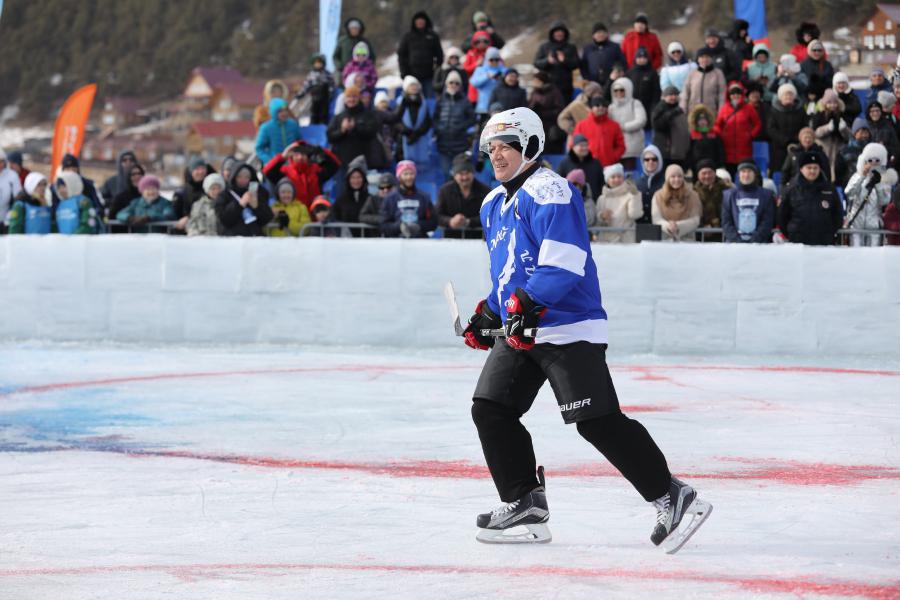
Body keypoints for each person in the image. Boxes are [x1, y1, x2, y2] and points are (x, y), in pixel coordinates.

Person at [464, 106, 709, 549]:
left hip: (568, 325)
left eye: (506, 146)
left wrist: (527, 303)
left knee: (596, 422)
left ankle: (673, 496)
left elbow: (565, 260)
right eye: (491, 148)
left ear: (530, 146)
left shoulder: (551, 190)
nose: (496, 155)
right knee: (491, 408)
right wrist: (491, 314)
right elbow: (508, 272)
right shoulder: (492, 203)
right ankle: (524, 502)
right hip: (525, 328)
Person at [777, 152, 841, 245]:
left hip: (824, 243)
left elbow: (838, 215)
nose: (812, 171)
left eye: (815, 168)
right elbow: (782, 216)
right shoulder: (791, 190)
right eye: (809, 168)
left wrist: (830, 233)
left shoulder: (830, 189)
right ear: (801, 169)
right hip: (798, 243)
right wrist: (792, 233)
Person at [327, 86, 380, 192]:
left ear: (359, 98)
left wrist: (355, 127)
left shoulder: (367, 114)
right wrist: (342, 130)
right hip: (342, 163)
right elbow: (330, 136)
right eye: (349, 97)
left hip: (362, 161)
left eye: (354, 97)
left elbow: (372, 132)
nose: (351, 99)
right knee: (343, 192)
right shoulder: (339, 117)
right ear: (345, 99)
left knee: (362, 191)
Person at [262, 140, 341, 210]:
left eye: (303, 154)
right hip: (294, 217)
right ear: (291, 156)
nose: (300, 157)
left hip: (315, 215)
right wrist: (282, 157)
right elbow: (267, 172)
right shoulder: (285, 172)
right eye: (296, 154)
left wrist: (319, 150)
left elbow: (335, 165)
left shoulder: (317, 170)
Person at [844, 142, 894, 246]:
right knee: (855, 254)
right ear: (865, 160)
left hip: (874, 226)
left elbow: (884, 201)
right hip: (856, 224)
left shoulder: (884, 180)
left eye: (877, 161)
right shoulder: (857, 175)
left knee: (874, 255)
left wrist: (878, 183)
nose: (873, 163)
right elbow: (849, 193)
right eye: (870, 160)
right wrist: (862, 176)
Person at [436, 153, 490, 239]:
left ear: (473, 173)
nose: (464, 177)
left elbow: (490, 216)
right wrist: (450, 221)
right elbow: (437, 215)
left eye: (467, 173)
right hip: (450, 240)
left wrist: (469, 222)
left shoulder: (486, 191)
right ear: (454, 175)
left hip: (478, 239)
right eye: (461, 174)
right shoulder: (444, 191)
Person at [435, 71, 476, 178]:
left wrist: (462, 127)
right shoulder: (440, 100)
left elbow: (472, 118)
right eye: (451, 82)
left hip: (460, 145)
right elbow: (435, 118)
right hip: (443, 145)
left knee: (459, 175)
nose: (454, 85)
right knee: (446, 174)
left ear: (460, 85)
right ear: (447, 84)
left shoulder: (465, 101)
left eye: (457, 83)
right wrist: (439, 129)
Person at [722, 161, 775, 243]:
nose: (746, 175)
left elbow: (767, 221)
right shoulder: (728, 195)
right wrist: (737, 240)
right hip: (734, 245)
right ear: (739, 174)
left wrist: (755, 240)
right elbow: (726, 222)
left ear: (755, 174)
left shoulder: (766, 195)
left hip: (759, 245)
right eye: (743, 171)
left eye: (749, 171)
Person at [380, 160, 436, 238]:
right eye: (405, 174)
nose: (409, 177)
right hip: (396, 240)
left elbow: (433, 222)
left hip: (419, 240)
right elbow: (383, 225)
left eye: (411, 173)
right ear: (399, 176)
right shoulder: (390, 198)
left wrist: (418, 225)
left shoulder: (424, 197)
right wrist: (399, 227)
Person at [214, 163, 273, 237]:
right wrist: (239, 205)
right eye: (239, 177)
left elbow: (266, 219)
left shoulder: (259, 193)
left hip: (255, 238)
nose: (243, 180)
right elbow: (223, 220)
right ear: (234, 177)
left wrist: (257, 207)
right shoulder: (225, 195)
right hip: (232, 239)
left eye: (247, 177)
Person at [716, 82, 761, 175]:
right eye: (733, 93)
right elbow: (717, 125)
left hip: (744, 148)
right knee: (730, 173)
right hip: (728, 147)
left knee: (744, 172)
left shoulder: (749, 108)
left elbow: (757, 124)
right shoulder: (724, 109)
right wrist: (722, 136)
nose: (735, 95)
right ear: (729, 95)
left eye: (738, 93)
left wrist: (751, 135)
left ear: (742, 95)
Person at [397, 11, 443, 98]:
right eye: (418, 20)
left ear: (426, 21)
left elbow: (439, 54)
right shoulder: (408, 36)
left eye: (422, 20)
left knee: (430, 99)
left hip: (429, 75)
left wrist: (437, 70)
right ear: (414, 22)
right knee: (413, 99)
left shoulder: (433, 36)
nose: (420, 22)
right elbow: (401, 55)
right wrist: (404, 73)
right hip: (412, 75)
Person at [651, 164, 702, 242]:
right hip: (665, 240)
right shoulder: (658, 196)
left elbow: (695, 219)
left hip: (687, 241)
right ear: (667, 178)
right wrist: (668, 226)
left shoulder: (693, 195)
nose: (677, 179)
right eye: (673, 176)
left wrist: (678, 226)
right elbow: (656, 218)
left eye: (679, 176)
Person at [768, 83, 808, 179]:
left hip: (797, 146)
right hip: (779, 147)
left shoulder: (800, 110)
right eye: (785, 95)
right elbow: (771, 129)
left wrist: (797, 139)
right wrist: (784, 140)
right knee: (779, 171)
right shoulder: (774, 110)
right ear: (780, 97)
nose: (788, 97)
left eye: (790, 94)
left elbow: (805, 127)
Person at [533, 21, 580, 102]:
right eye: (556, 31)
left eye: (561, 31)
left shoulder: (571, 47)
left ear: (565, 33)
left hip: (566, 87)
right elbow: (536, 63)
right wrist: (547, 61)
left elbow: (577, 63)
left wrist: (564, 60)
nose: (559, 34)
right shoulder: (544, 47)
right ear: (552, 33)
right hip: (547, 86)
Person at [572, 96, 625, 168]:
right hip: (587, 165)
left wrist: (612, 157)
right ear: (591, 108)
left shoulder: (614, 126)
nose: (601, 107)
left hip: (608, 166)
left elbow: (621, 146)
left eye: (604, 105)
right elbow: (574, 145)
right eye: (597, 105)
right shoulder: (581, 125)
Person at [596, 163, 642, 242]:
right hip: (606, 242)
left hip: (626, 241)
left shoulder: (630, 195)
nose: (616, 179)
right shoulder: (602, 199)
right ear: (607, 180)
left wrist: (635, 195)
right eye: (613, 177)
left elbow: (635, 214)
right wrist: (602, 216)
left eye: (619, 176)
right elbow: (596, 221)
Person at [608, 78, 647, 171]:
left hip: (633, 147)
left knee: (631, 173)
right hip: (616, 147)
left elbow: (641, 120)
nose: (618, 93)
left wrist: (623, 127)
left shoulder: (635, 103)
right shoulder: (611, 107)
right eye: (615, 90)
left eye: (621, 90)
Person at [811, 89, 850, 181]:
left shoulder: (842, 115)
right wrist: (827, 128)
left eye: (834, 102)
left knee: (838, 169)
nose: (832, 105)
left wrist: (844, 129)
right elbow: (815, 133)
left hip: (838, 149)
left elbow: (848, 137)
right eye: (829, 103)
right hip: (824, 148)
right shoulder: (819, 115)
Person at [331, 156, 373, 236]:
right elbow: (334, 218)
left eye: (359, 177)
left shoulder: (370, 199)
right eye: (353, 177)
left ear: (363, 179)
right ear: (348, 180)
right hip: (346, 240)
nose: (356, 181)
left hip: (368, 240)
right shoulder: (341, 200)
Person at [395, 76, 433, 164]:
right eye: (411, 85)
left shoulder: (423, 102)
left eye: (415, 85)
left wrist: (416, 134)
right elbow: (397, 120)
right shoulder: (400, 102)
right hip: (404, 139)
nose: (414, 87)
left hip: (420, 137)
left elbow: (427, 122)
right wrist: (408, 132)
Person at [652, 87, 690, 169]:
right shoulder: (660, 108)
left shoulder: (679, 110)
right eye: (670, 95)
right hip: (666, 152)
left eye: (675, 95)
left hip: (679, 152)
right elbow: (657, 125)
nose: (673, 97)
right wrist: (671, 113)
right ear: (664, 97)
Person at [255, 98, 302, 166]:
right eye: (280, 111)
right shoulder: (266, 127)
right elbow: (259, 148)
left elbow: (300, 142)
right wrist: (269, 160)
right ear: (274, 112)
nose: (284, 113)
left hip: (293, 164)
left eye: (286, 110)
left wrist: (299, 156)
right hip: (275, 164)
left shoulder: (293, 124)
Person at [680, 48, 726, 116]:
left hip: (711, 112)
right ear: (698, 59)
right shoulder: (692, 74)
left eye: (707, 57)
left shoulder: (718, 73)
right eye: (702, 57)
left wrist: (721, 112)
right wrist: (683, 109)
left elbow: (722, 94)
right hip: (693, 112)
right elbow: (685, 93)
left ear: (711, 58)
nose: (705, 59)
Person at [528, 72, 566, 154]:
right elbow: (530, 106)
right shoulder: (534, 92)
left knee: (550, 150)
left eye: (536, 81)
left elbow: (559, 110)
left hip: (551, 127)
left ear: (542, 81)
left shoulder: (554, 92)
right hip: (537, 126)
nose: (534, 83)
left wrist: (543, 113)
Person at [172, 157, 213, 232]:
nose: (200, 172)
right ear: (191, 171)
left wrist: (189, 218)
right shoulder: (182, 192)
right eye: (197, 169)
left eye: (203, 168)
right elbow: (176, 214)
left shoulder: (213, 188)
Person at [557, 133, 604, 198]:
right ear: (574, 147)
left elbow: (602, 183)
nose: (584, 148)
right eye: (581, 145)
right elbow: (559, 183)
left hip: (593, 200)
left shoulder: (595, 163)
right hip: (572, 200)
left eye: (586, 145)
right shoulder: (564, 163)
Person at [581, 22, 626, 88]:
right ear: (593, 35)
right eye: (598, 33)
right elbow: (583, 66)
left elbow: (622, 62)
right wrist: (587, 78)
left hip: (612, 81)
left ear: (606, 34)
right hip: (593, 83)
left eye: (603, 32)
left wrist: (617, 70)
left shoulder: (614, 47)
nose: (601, 35)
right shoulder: (588, 48)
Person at [295, 54, 334, 125]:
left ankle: (324, 126)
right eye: (316, 63)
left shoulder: (327, 74)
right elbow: (306, 85)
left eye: (319, 63)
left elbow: (331, 84)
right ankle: (313, 126)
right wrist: (300, 94)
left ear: (323, 64)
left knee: (324, 113)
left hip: (324, 98)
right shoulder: (311, 75)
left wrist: (331, 93)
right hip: (314, 98)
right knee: (314, 113)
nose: (318, 65)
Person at [333, 18, 375, 83]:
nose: (354, 30)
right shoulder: (342, 41)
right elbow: (335, 56)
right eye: (352, 28)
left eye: (356, 28)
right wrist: (340, 66)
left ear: (360, 29)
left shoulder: (365, 42)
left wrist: (368, 66)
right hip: (345, 70)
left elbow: (372, 56)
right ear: (349, 29)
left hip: (362, 72)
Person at [471, 47, 507, 124]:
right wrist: (486, 77)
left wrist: (501, 78)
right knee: (483, 128)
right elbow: (474, 82)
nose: (494, 62)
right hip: (484, 106)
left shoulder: (504, 70)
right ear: (487, 59)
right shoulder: (480, 70)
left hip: (500, 107)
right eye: (491, 60)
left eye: (496, 59)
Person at [693, 159, 731, 230]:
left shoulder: (727, 190)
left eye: (710, 173)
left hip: (723, 230)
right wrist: (702, 225)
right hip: (702, 231)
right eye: (704, 173)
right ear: (698, 175)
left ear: (715, 173)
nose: (707, 176)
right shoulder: (693, 192)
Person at [627, 47, 661, 123]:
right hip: (633, 106)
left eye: (644, 57)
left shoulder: (652, 73)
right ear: (635, 59)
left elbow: (656, 91)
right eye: (639, 57)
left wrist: (654, 105)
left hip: (648, 106)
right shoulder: (629, 73)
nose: (642, 60)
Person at [688, 104, 725, 173]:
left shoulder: (714, 134)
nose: (702, 122)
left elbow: (719, 150)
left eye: (704, 120)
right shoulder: (692, 134)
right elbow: (689, 151)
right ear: (696, 122)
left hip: (712, 164)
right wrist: (688, 165)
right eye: (700, 120)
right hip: (696, 165)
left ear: (708, 121)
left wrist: (721, 163)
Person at [836, 121, 871, 188]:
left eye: (866, 132)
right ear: (855, 134)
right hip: (850, 186)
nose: (864, 135)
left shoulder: (873, 150)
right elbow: (839, 173)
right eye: (861, 132)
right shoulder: (844, 151)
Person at [635, 145, 665, 224]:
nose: (650, 162)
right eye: (647, 159)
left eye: (654, 159)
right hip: (640, 226)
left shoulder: (666, 182)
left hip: (660, 226)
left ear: (659, 161)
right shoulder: (637, 183)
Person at [800, 40, 834, 104]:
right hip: (806, 98)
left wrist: (821, 80)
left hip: (824, 99)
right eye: (814, 50)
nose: (817, 52)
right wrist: (808, 93)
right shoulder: (803, 65)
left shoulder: (827, 65)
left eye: (819, 50)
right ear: (809, 51)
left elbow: (831, 82)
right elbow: (800, 83)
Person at [0, 148, 23, 232]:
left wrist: (10, 216)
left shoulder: (12, 176)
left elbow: (18, 198)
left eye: (2, 161)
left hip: (6, 221)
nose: (0, 165)